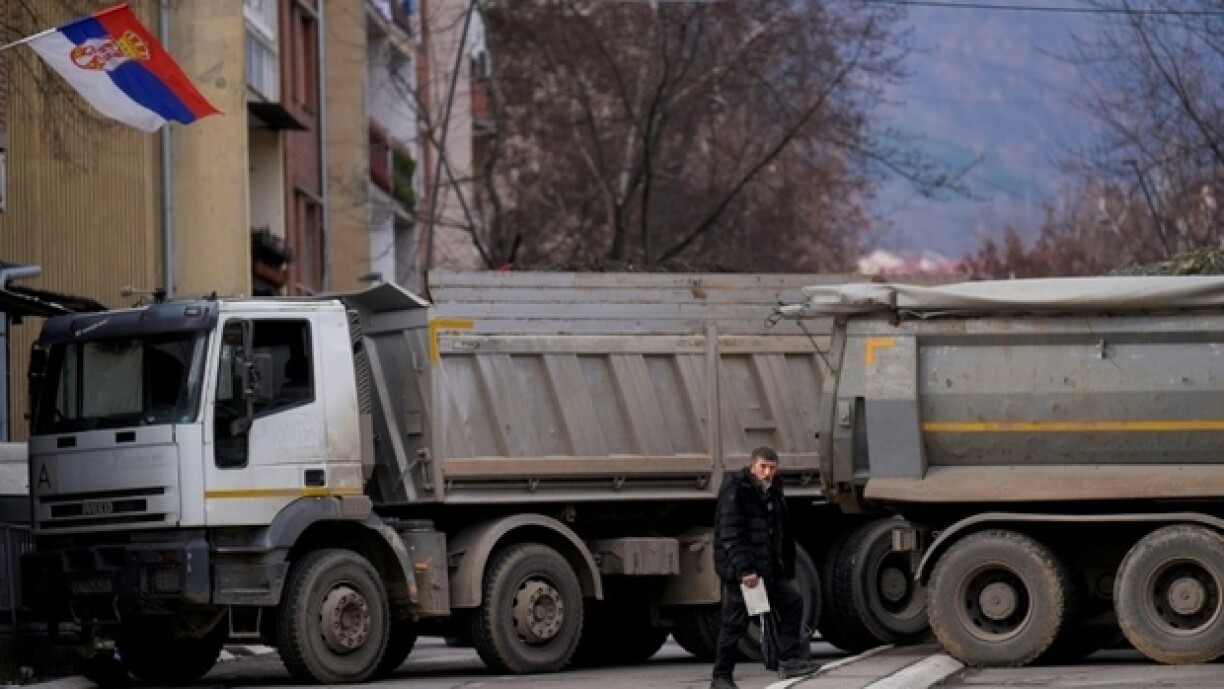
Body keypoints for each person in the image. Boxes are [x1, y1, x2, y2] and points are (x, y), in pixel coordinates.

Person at [710, 445, 820, 689]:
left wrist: (785, 567)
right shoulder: (736, 490)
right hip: (745, 572)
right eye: (763, 467)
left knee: (792, 602)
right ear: (752, 466)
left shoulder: (773, 489)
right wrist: (745, 570)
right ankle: (721, 676)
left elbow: (780, 530)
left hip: (768, 569)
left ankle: (789, 660)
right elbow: (731, 535)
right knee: (735, 622)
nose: (767, 472)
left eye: (771, 468)